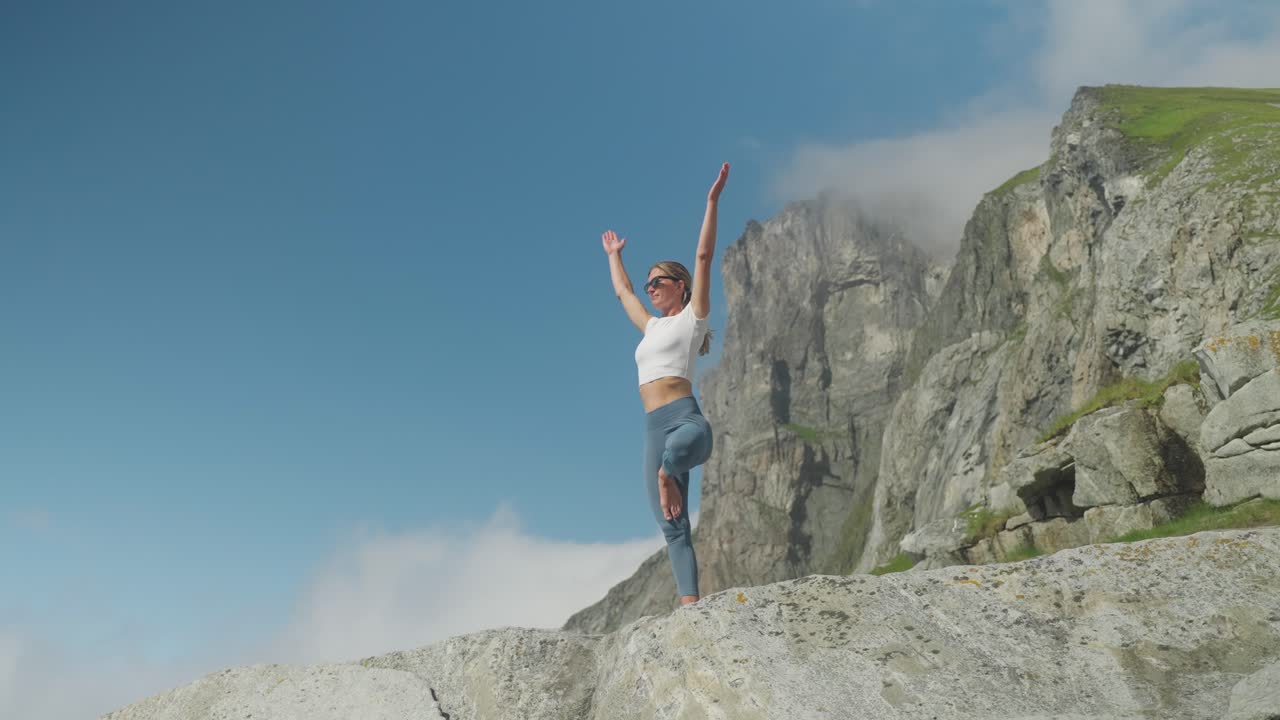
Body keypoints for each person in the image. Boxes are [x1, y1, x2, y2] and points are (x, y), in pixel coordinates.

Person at [600, 162, 729, 606]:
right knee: (672, 525)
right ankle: (691, 608)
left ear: (680, 287)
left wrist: (711, 202)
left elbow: (704, 256)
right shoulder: (651, 327)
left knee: (672, 459)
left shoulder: (694, 319)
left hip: (687, 423)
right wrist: (615, 255)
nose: (651, 288)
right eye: (649, 282)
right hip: (653, 427)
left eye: (659, 282)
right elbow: (623, 294)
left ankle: (666, 473)